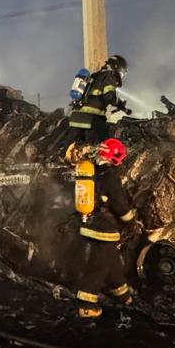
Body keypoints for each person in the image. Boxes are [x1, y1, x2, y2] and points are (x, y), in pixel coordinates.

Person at [70, 136, 138, 320]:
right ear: (115, 157)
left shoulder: (93, 171)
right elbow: (119, 205)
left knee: (113, 263)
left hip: (90, 224)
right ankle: (86, 306)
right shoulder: (110, 176)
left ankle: (123, 295)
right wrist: (131, 221)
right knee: (98, 268)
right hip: (104, 230)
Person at [66, 54, 130, 143]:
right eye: (122, 73)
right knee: (104, 141)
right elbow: (109, 96)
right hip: (92, 120)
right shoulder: (110, 76)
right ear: (117, 68)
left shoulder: (94, 76)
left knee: (77, 149)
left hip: (75, 120)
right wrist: (120, 103)